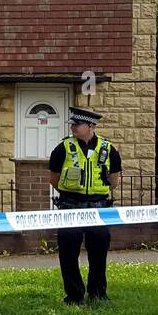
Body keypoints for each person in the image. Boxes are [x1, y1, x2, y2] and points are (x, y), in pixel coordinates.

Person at [48, 106, 122, 304]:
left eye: (77, 124)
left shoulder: (108, 149)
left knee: (99, 253)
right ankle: (74, 295)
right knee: (68, 253)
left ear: (91, 126)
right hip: (70, 206)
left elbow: (113, 181)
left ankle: (98, 293)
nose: (73, 127)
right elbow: (54, 179)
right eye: (72, 124)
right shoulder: (62, 148)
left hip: (98, 208)